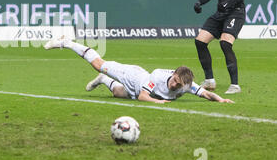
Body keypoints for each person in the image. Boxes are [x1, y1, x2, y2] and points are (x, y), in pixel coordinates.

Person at [43, 36, 234, 104]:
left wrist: (221, 99)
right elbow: (144, 97)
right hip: (133, 76)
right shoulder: (158, 76)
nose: (175, 84)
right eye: (175, 80)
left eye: (178, 83)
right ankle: (66, 43)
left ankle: (103, 80)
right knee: (98, 64)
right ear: (173, 74)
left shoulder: (186, 85)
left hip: (137, 90)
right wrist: (158, 103)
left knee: (118, 93)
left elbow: (205, 94)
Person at [193, 0, 250, 95]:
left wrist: (229, 2)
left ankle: (235, 85)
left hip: (236, 12)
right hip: (221, 13)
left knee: (225, 43)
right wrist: (200, 2)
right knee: (200, 41)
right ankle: (209, 80)